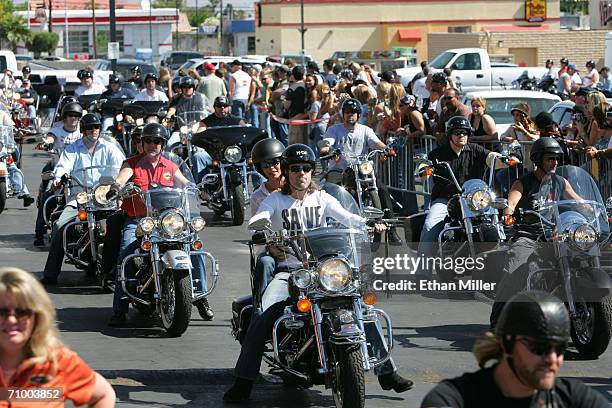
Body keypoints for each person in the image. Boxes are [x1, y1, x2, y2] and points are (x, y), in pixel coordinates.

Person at [223, 144, 413, 403]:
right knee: (264, 311)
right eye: (295, 169)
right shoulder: (275, 199)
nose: (301, 173)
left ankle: (387, 372)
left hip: (325, 271)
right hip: (290, 271)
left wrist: (369, 224)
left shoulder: (322, 198)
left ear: (312, 171)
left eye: (306, 168)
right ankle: (244, 380)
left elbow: (349, 218)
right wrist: (259, 226)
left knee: (363, 309)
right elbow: (262, 217)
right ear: (287, 172)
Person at [422, 290, 609, 408]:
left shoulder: (574, 397)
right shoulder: (456, 397)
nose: (553, 359)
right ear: (506, 344)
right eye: (539, 348)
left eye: (559, 349)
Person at [106, 123, 213, 326]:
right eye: (147, 141)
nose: (152, 145)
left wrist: (198, 189)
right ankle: (119, 308)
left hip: (168, 220)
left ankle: (200, 295)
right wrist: (116, 187)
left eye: (156, 141)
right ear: (141, 143)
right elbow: (121, 178)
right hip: (140, 220)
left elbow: (185, 183)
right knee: (126, 253)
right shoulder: (131, 164)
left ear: (162, 144)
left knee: (195, 245)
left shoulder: (170, 165)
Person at [489, 137, 582, 326]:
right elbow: (512, 202)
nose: (555, 162)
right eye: (550, 158)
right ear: (538, 160)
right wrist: (508, 213)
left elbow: (579, 202)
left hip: (557, 235)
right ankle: (498, 319)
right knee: (515, 267)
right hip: (529, 236)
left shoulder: (560, 182)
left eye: (557, 158)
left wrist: (598, 211)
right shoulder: (523, 183)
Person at [0, 267, 116, 407]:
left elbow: (103, 394)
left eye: (22, 311)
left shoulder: (59, 362)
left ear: (37, 316)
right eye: (2, 312)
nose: (12, 320)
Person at [40, 114, 126, 285]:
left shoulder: (109, 148)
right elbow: (64, 165)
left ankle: (125, 272)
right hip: (80, 197)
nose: (93, 131)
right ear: (83, 130)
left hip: (105, 197)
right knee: (59, 226)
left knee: (127, 227)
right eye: (89, 128)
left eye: (96, 127)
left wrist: (120, 183)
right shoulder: (73, 149)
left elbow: (121, 166)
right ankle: (51, 273)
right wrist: (59, 177)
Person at [417, 116, 507, 277]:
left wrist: (503, 158)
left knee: (498, 221)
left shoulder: (475, 150)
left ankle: (506, 268)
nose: (462, 136)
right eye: (458, 133)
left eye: (465, 132)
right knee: (431, 225)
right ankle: (421, 273)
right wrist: (424, 169)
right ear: (450, 134)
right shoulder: (439, 153)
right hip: (446, 200)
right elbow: (425, 167)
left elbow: (491, 158)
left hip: (474, 199)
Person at [319, 98, 403, 244]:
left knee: (382, 189)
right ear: (343, 114)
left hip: (361, 168)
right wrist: (328, 150)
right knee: (331, 187)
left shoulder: (365, 130)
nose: (350, 115)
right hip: (340, 169)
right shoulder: (335, 129)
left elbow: (376, 142)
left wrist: (385, 149)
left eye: (354, 112)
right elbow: (326, 144)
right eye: (347, 112)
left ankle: (392, 230)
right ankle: (330, 225)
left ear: (359, 115)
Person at [248, 138, 285, 298]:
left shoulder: (296, 188)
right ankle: (261, 309)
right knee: (264, 263)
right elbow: (256, 229)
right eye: (265, 165)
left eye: (275, 162)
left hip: (302, 247)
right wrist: (270, 247)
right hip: (273, 249)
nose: (272, 168)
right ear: (260, 168)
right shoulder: (258, 196)